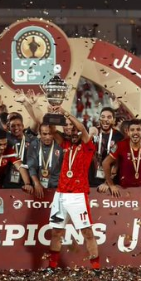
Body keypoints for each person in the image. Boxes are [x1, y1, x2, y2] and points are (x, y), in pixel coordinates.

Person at [46, 108, 99, 272]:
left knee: (87, 233)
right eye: (71, 130)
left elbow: (82, 128)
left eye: (76, 130)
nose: (74, 132)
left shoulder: (88, 146)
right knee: (56, 232)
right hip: (60, 195)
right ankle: (52, 266)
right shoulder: (66, 144)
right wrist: (53, 114)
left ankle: (96, 267)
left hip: (78, 196)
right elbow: (52, 129)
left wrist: (66, 113)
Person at [88, 107, 124, 189]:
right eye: (103, 117)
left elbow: (118, 163)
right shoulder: (93, 132)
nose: (105, 120)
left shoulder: (119, 137)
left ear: (114, 120)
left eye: (109, 117)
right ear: (99, 119)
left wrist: (108, 182)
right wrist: (90, 135)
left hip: (111, 183)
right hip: (92, 180)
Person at [27, 124, 64, 191]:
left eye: (50, 134)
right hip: (38, 187)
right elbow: (31, 167)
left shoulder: (59, 146)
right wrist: (36, 183)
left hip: (56, 187)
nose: (47, 137)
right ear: (40, 133)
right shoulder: (34, 145)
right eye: (44, 134)